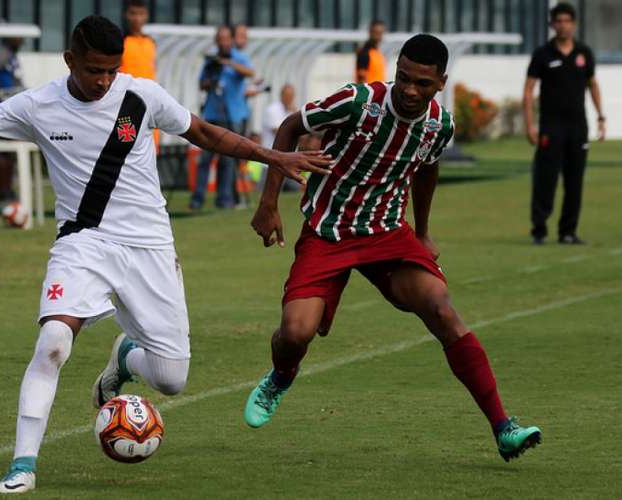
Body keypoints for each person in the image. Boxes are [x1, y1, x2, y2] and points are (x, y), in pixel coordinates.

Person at [0, 15, 331, 495]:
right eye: (94, 70)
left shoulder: (141, 96)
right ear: (70, 61)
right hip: (83, 243)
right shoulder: (38, 104)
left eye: (111, 70)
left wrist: (274, 156)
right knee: (54, 342)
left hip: (150, 248)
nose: (104, 81)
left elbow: (204, 133)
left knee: (171, 379)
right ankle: (22, 465)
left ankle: (125, 355)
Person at [242, 34, 542, 463]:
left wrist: (422, 231)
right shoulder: (358, 101)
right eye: (403, 77)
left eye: (421, 83)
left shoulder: (441, 124)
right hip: (329, 231)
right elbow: (292, 125)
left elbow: (428, 168)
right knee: (295, 332)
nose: (408, 89)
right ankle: (281, 376)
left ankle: (503, 427)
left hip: (386, 234)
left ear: (440, 82)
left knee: (441, 307)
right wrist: (269, 202)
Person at [523, 2, 605, 245]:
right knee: (545, 179)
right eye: (558, 21)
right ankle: (539, 229)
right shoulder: (542, 54)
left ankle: (568, 231)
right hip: (550, 126)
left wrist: (601, 117)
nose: (563, 25)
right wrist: (530, 124)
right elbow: (528, 90)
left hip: (578, 127)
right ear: (552, 24)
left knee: (575, 180)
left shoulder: (583, 53)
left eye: (567, 21)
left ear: (574, 24)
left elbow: (593, 85)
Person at [189, 25, 254, 210]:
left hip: (233, 114)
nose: (223, 42)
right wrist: (211, 80)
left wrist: (229, 64)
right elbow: (201, 84)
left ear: (231, 40)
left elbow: (250, 73)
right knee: (205, 159)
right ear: (216, 41)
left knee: (227, 160)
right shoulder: (211, 61)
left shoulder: (238, 57)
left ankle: (224, 200)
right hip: (211, 114)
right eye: (220, 39)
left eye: (226, 38)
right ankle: (197, 199)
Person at [0, 37, 26, 202]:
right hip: (7, 107)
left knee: (10, 151)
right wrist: (0, 90)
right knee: (5, 150)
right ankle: (3, 191)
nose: (21, 42)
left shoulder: (12, 55)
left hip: (13, 105)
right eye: (19, 39)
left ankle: (7, 189)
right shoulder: (5, 54)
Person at [120, 0, 161, 150]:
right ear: (126, 15)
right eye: (133, 14)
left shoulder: (151, 42)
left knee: (150, 146)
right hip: (125, 104)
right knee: (126, 144)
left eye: (140, 14)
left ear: (146, 16)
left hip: (149, 102)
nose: (137, 18)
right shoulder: (121, 41)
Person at [355, 20, 387, 84]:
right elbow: (361, 78)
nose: (378, 36)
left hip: (379, 92)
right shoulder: (364, 52)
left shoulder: (378, 53)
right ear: (370, 32)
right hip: (370, 92)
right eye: (376, 33)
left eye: (380, 33)